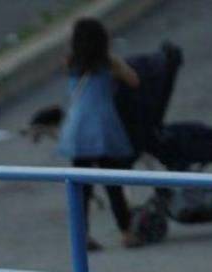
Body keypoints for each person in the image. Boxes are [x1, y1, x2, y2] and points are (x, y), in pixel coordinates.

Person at [58, 17, 142, 251]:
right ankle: (126, 232)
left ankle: (82, 236)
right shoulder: (109, 63)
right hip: (104, 128)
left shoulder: (70, 62)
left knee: (81, 188)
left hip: (77, 130)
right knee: (113, 183)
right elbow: (134, 80)